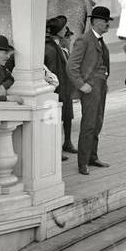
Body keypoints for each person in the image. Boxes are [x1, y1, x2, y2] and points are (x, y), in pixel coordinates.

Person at [67, 6, 113, 175]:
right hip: (91, 87)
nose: (108, 24)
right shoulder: (84, 40)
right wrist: (81, 84)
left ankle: (92, 157)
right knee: (88, 124)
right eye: (105, 21)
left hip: (100, 86)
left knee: (98, 122)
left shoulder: (99, 40)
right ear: (95, 22)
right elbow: (71, 66)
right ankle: (83, 162)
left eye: (108, 21)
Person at [43, 15, 75, 156]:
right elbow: (52, 71)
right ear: (59, 31)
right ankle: (56, 149)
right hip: (57, 90)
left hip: (64, 87)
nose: (66, 30)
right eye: (64, 28)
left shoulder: (56, 45)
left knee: (67, 116)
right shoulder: (50, 48)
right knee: (56, 120)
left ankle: (67, 142)